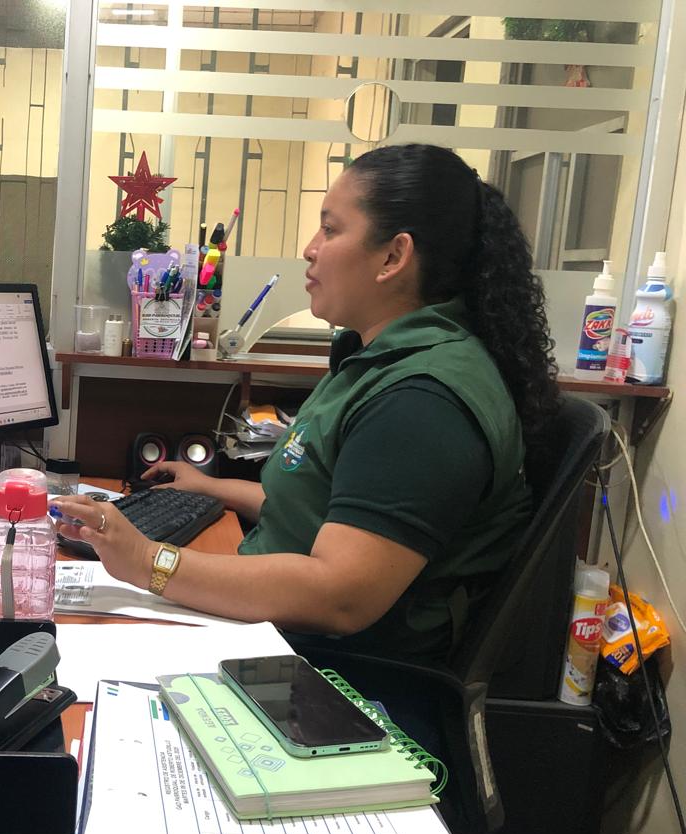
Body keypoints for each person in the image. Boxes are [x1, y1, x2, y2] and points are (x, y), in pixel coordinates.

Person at [55, 144, 560, 663]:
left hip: (335, 669)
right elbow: (317, 507)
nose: (309, 249)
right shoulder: (378, 360)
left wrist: (146, 561)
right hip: (282, 629)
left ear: (393, 257)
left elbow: (339, 596)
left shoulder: (421, 402)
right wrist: (211, 486)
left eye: (331, 229)